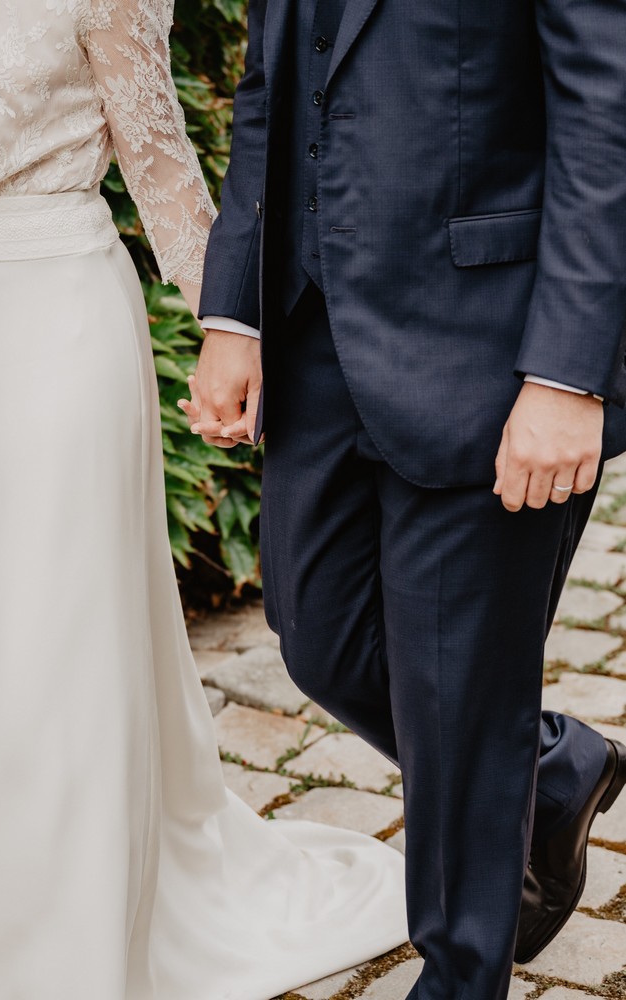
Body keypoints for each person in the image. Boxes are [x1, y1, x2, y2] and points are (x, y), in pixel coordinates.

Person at [0, 2, 408, 998]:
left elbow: (161, 170)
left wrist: (237, 334)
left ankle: (53, 952)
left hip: (52, 330)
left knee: (46, 652)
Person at [189, 1, 626, 997]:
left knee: (462, 690)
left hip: (487, 343)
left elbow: (606, 107)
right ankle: (550, 768)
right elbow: (269, 86)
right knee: (317, 634)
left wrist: (565, 375)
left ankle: (461, 972)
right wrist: (234, 311)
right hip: (317, 337)